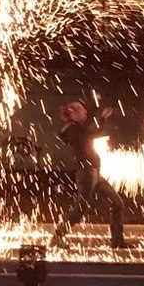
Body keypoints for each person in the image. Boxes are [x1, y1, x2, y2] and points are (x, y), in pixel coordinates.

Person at [50, 100, 128, 249]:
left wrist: (102, 118)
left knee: (117, 203)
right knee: (81, 208)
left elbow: (93, 132)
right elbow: (88, 134)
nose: (85, 112)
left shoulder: (79, 128)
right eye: (82, 110)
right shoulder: (71, 129)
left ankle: (117, 242)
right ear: (73, 113)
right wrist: (101, 118)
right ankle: (57, 237)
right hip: (86, 174)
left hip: (95, 173)